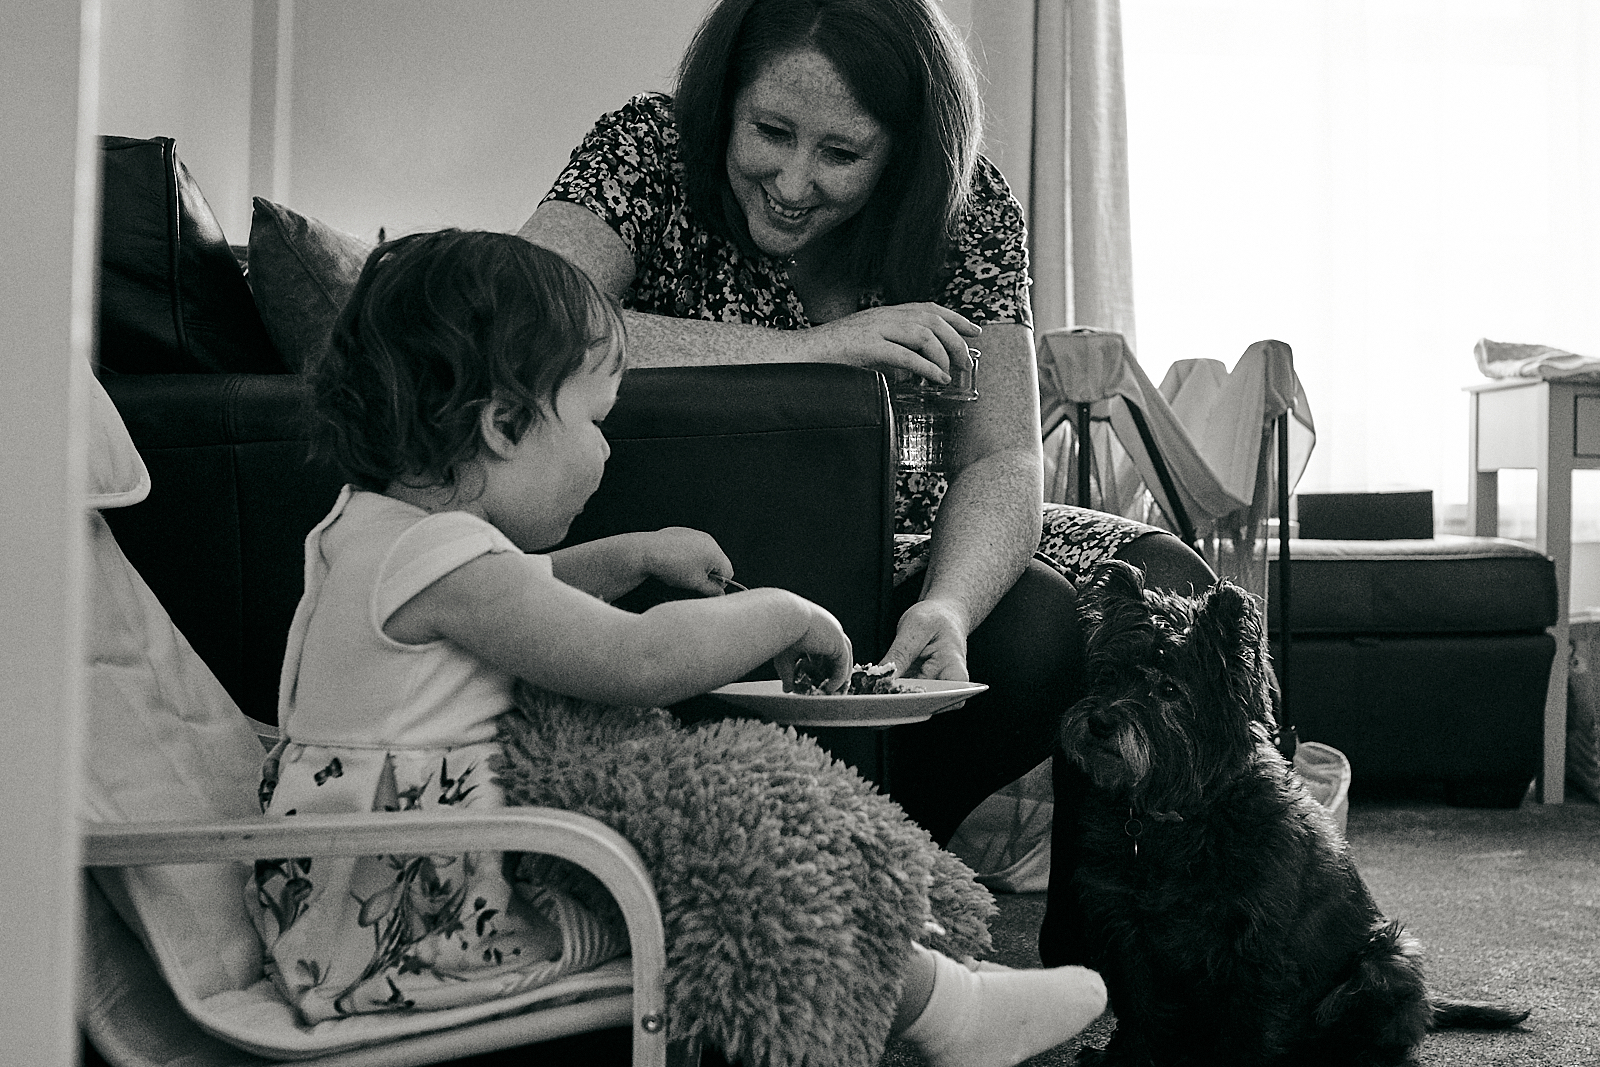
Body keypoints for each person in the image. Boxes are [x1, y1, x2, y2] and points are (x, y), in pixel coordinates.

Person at [247, 229, 1106, 1065]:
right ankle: (952, 1012)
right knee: (737, 879)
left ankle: (942, 982)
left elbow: (524, 594)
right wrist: (781, 613)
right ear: (505, 424)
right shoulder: (440, 560)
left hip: (355, 907)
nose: (606, 449)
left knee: (728, 857)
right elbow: (638, 662)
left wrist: (633, 552)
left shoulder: (377, 533)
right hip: (414, 924)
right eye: (594, 420)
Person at [517, 0, 1215, 962]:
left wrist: (953, 607)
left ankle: (870, 865)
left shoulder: (968, 214)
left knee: (1063, 616)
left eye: (842, 154)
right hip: (684, 574)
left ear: (905, 153)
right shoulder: (645, 146)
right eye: (769, 132)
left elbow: (1002, 454)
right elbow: (524, 322)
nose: (794, 183)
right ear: (724, 101)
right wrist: (803, 354)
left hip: (891, 568)